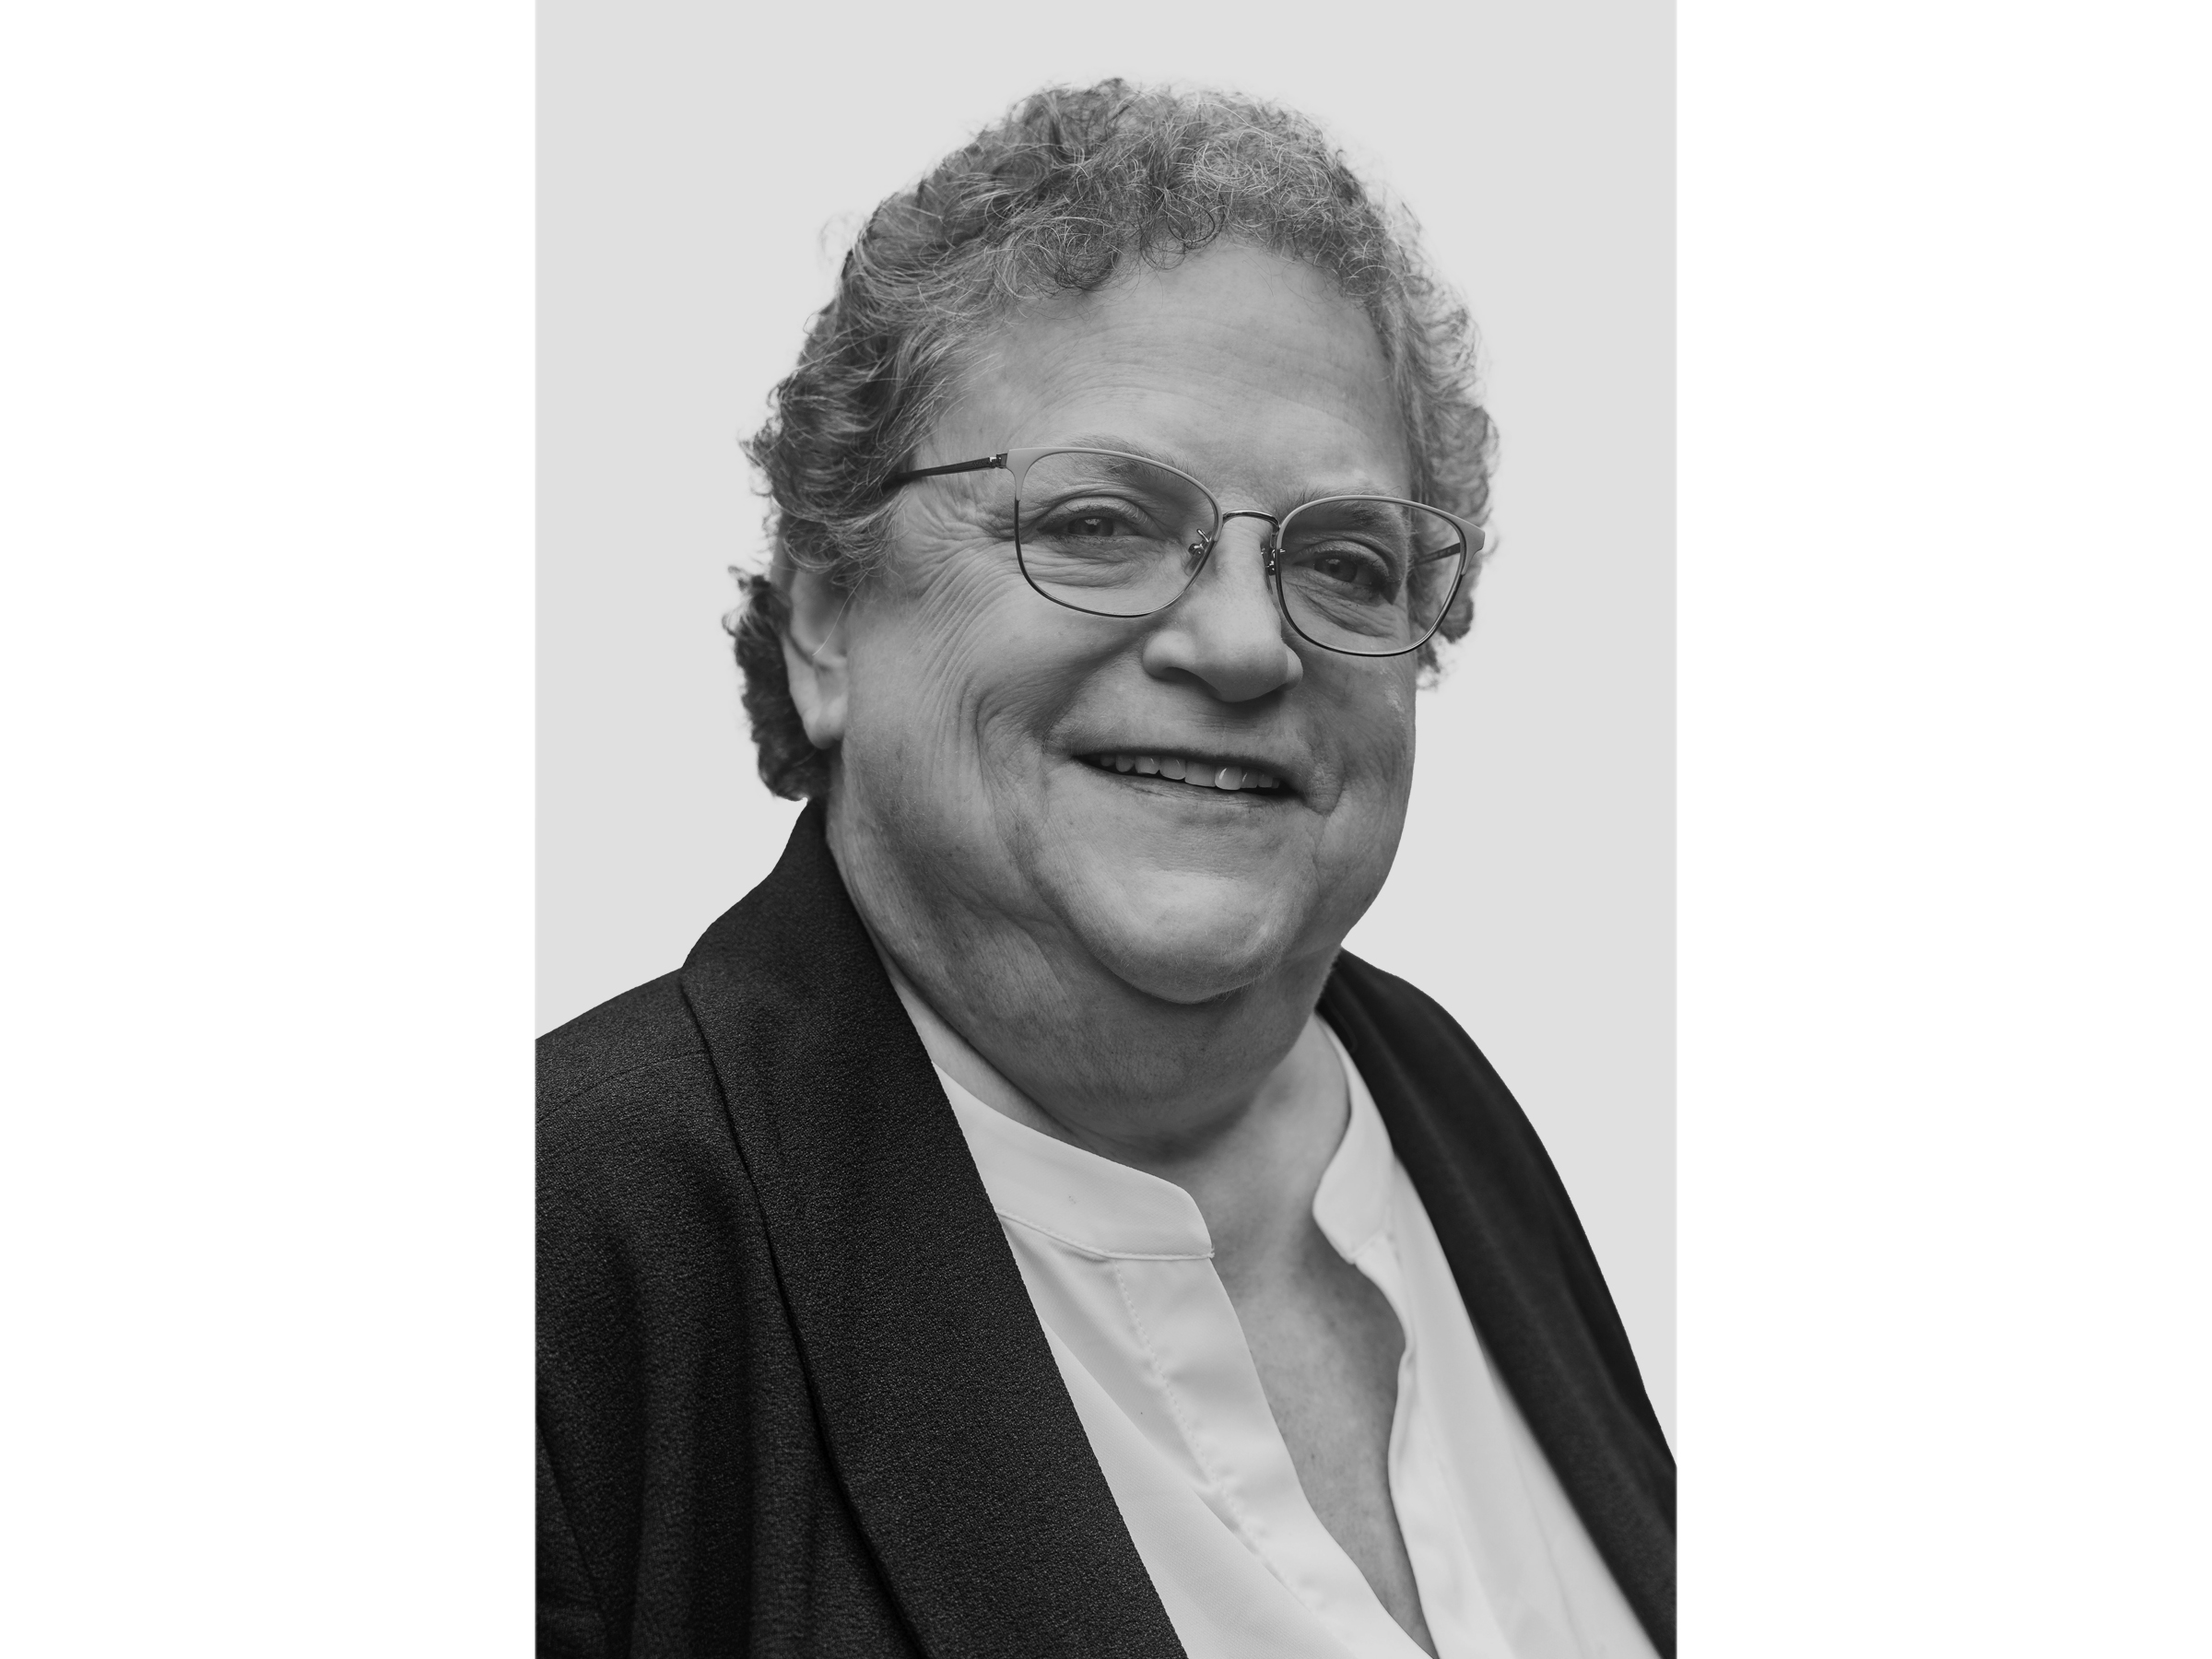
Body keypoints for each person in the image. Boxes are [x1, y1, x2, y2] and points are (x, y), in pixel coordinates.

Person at [538, 81, 1673, 1659]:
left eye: (1345, 560)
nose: (1245, 643)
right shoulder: (560, 1255)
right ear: (824, 621)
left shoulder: (1433, 1098)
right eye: (1097, 523)